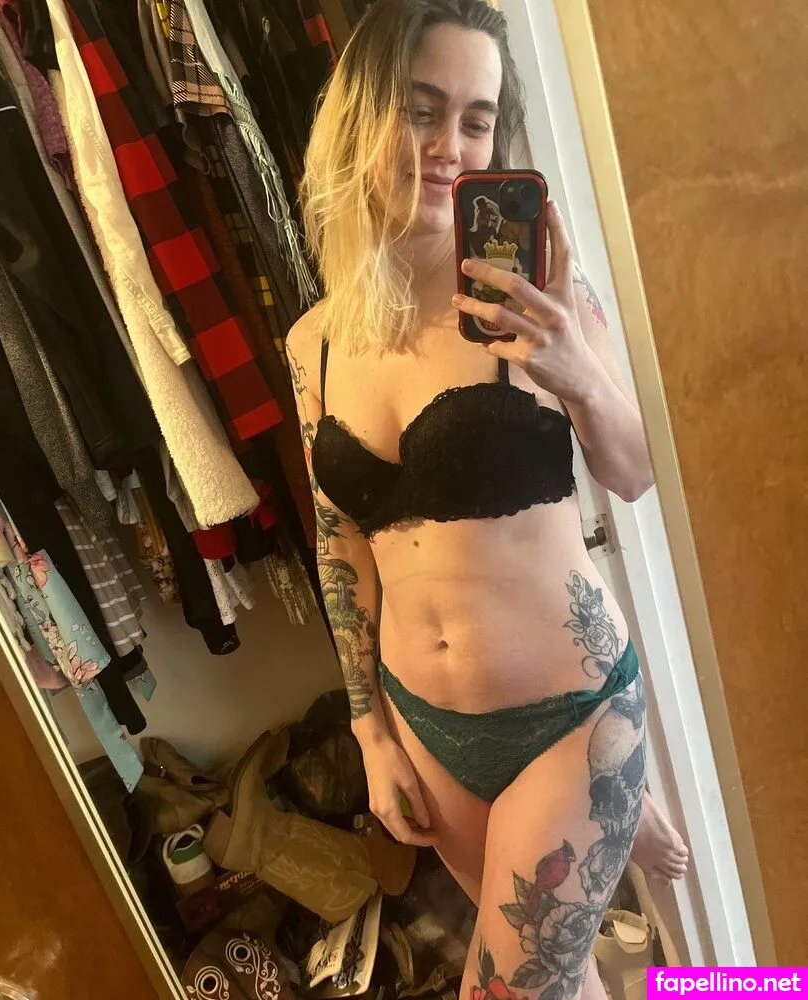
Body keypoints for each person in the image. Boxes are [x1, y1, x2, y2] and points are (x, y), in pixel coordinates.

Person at [289, 1, 688, 996]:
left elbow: (639, 474)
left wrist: (573, 368)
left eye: (476, 119)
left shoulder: (540, 299)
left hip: (571, 721)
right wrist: (371, 734)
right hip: (429, 729)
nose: (450, 147)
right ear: (363, 114)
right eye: (423, 111)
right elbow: (343, 545)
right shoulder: (314, 343)